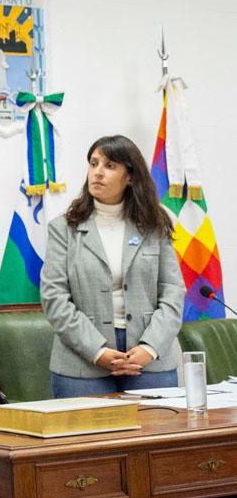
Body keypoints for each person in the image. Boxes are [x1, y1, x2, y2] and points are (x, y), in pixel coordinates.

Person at [40, 134, 185, 398]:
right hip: (81, 361)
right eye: (93, 164)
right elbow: (54, 298)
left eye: (109, 166)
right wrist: (97, 351)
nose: (97, 172)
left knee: (156, 438)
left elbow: (173, 292)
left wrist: (149, 348)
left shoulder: (155, 226)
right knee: (87, 439)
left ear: (129, 177)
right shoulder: (64, 229)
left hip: (148, 359)